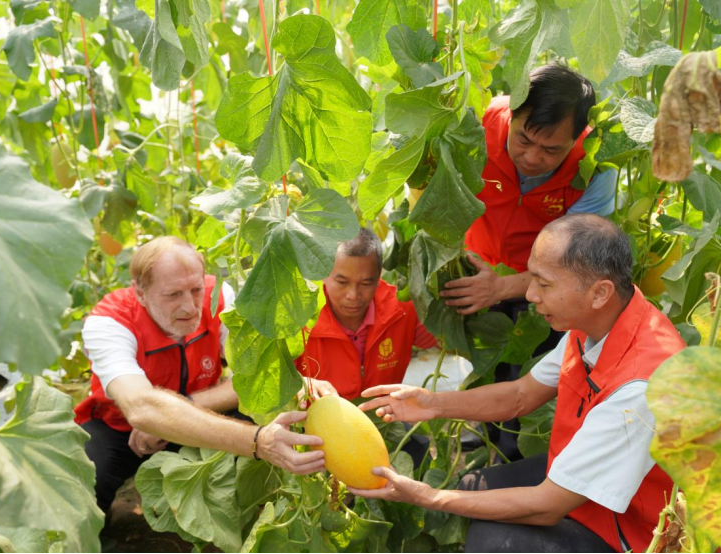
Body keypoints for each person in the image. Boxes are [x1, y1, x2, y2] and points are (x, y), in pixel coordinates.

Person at [352, 215, 686, 554]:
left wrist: (428, 496)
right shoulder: (595, 324)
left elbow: (547, 505)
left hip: (634, 532)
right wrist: (432, 404)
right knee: (472, 487)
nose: (529, 294)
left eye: (543, 284)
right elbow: (520, 395)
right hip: (582, 490)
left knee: (492, 543)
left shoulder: (642, 387)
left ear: (600, 292)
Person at [74, 236, 329, 514]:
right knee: (83, 477)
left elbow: (260, 377)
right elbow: (142, 407)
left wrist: (184, 408)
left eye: (196, 289)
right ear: (140, 293)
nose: (190, 306)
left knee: (275, 413)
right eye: (173, 295)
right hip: (122, 432)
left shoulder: (219, 296)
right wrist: (258, 441)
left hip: (200, 420)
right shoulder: (109, 322)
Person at [440, 64, 619, 459]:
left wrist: (503, 287)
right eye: (523, 140)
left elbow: (576, 261)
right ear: (513, 116)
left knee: (537, 379)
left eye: (552, 149)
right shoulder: (478, 124)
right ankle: (489, 440)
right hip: (479, 269)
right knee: (488, 365)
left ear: (577, 137)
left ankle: (525, 459)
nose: (532, 157)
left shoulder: (595, 167)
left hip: (550, 289)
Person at [294, 228, 438, 401]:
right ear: (323, 275)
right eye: (342, 282)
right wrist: (301, 383)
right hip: (313, 424)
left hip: (383, 419)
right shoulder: (300, 317)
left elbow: (444, 340)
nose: (353, 295)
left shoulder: (403, 310)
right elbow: (274, 374)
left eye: (365, 283)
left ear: (379, 278)